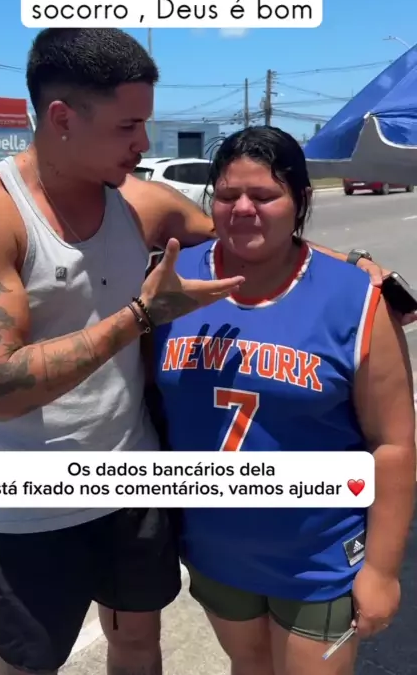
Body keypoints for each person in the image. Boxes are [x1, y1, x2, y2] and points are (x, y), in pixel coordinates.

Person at [0, 27, 404, 675]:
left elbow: (256, 234)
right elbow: (0, 387)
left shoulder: (139, 202)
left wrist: (352, 268)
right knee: (27, 662)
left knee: (136, 644)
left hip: (139, 485)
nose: (143, 142)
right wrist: (139, 317)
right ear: (63, 119)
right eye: (129, 126)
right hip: (37, 499)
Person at [150, 126, 416, 675]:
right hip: (215, 550)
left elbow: (393, 444)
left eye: (264, 195)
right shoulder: (171, 283)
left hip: (318, 555)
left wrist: (382, 570)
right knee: (248, 667)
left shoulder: (356, 298)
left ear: (301, 200)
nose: (243, 208)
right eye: (228, 195)